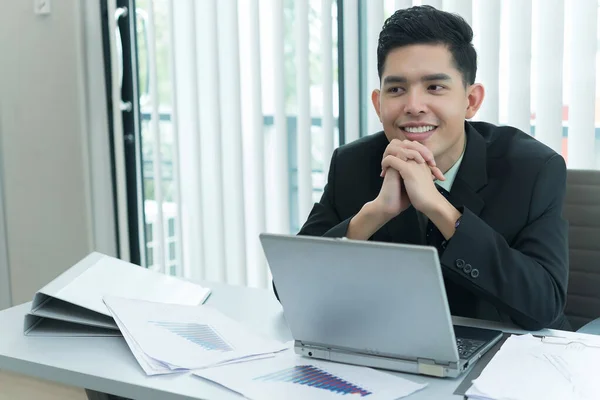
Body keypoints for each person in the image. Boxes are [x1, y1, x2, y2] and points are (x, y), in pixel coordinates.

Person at [292, 5, 571, 331]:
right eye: (396, 89)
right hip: (390, 360)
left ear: (471, 101)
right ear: (378, 103)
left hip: (507, 364)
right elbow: (291, 288)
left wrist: (441, 209)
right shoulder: (351, 164)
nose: (413, 106)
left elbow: (544, 306)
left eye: (435, 87)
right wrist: (374, 214)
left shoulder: (534, 170)